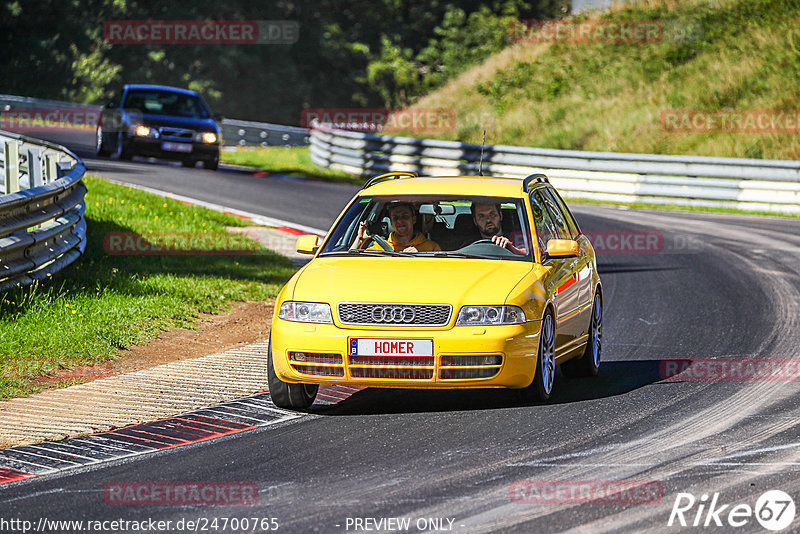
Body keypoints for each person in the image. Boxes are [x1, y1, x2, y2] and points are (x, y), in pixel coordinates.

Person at [353, 202, 441, 252]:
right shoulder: (380, 247)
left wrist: (420, 258)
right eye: (395, 218)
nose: (399, 221)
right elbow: (350, 262)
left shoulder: (431, 247)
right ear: (391, 222)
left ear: (413, 220)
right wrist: (359, 239)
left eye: (405, 216)